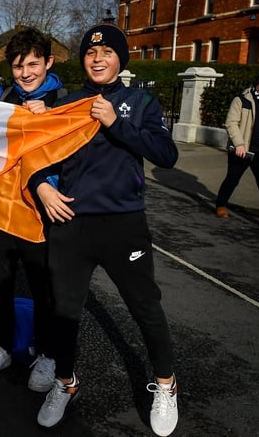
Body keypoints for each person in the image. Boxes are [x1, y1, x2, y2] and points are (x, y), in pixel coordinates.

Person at [29, 24, 179, 436]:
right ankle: (65, 383)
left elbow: (166, 155)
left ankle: (166, 385)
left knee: (145, 306)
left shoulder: (140, 102)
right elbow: (35, 155)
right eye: (91, 54)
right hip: (70, 225)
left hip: (123, 226)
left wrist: (116, 122)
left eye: (108, 53)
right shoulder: (64, 102)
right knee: (64, 310)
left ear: (120, 60)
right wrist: (41, 185)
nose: (98, 59)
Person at [0, 27, 63, 387]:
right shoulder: (4, 96)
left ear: (48, 62)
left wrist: (50, 114)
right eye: (19, 66)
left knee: (44, 288)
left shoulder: (65, 100)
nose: (26, 73)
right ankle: (2, 346)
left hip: (39, 212)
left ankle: (49, 355)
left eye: (33, 64)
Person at [214, 71, 259, 228]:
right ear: (257, 83)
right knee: (232, 179)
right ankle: (221, 205)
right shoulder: (242, 100)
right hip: (244, 149)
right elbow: (231, 122)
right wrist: (239, 144)